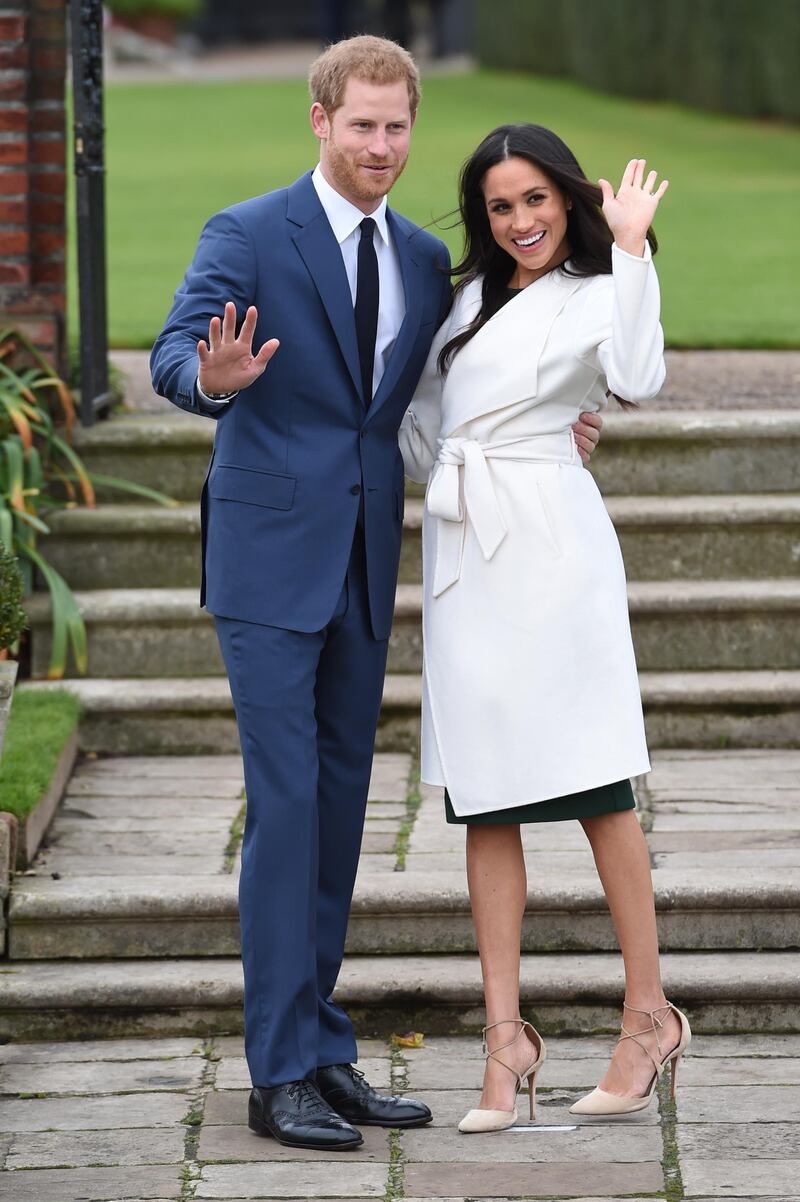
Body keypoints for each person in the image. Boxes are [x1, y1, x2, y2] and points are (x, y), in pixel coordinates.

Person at [151, 39, 602, 1151]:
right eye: (360, 125)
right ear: (318, 119)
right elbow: (170, 355)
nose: (380, 147)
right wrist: (211, 379)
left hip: (361, 559)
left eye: (396, 127)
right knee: (289, 802)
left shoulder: (414, 254)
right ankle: (277, 1071)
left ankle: (320, 1043)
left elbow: (432, 405)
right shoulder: (247, 233)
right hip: (263, 563)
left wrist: (551, 428)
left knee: (343, 807)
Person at [400, 125, 691, 1133]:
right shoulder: (462, 304)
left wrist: (632, 246)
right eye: (498, 206)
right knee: (484, 796)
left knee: (595, 782)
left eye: (535, 199)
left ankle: (647, 1014)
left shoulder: (597, 285)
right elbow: (422, 426)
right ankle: (502, 1039)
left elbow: (641, 375)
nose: (520, 220)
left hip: (552, 550)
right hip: (466, 552)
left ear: (566, 198)